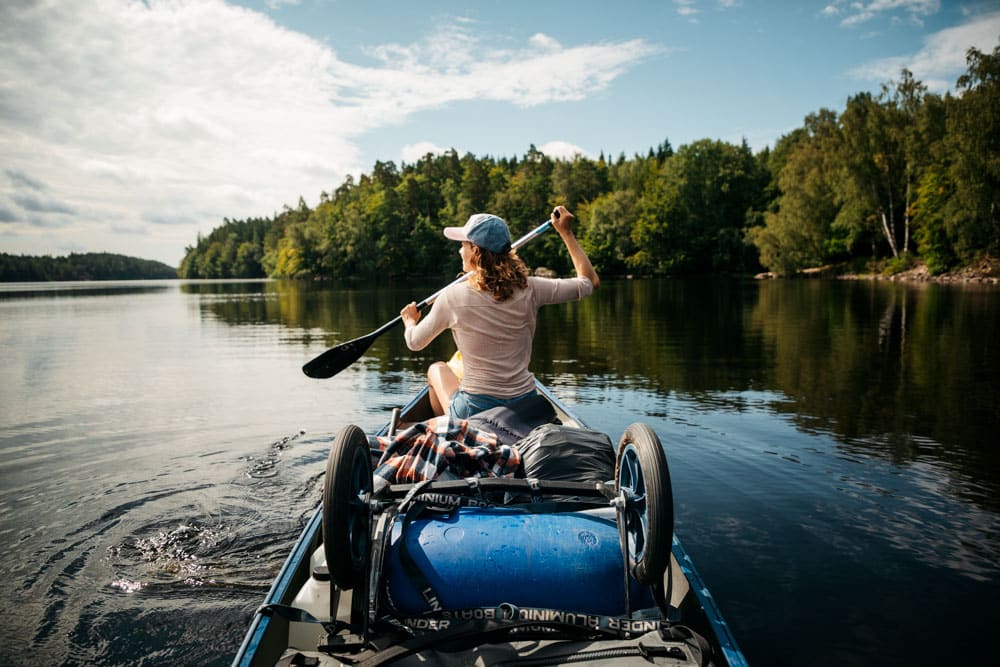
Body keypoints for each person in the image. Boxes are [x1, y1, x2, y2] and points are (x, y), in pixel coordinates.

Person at [400, 205, 600, 420]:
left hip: (474, 410)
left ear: (475, 250)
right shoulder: (531, 288)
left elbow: (415, 342)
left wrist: (410, 321)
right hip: (524, 407)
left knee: (437, 369)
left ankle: (450, 432)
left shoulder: (452, 297)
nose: (460, 251)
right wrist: (566, 233)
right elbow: (589, 283)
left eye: (463, 245)